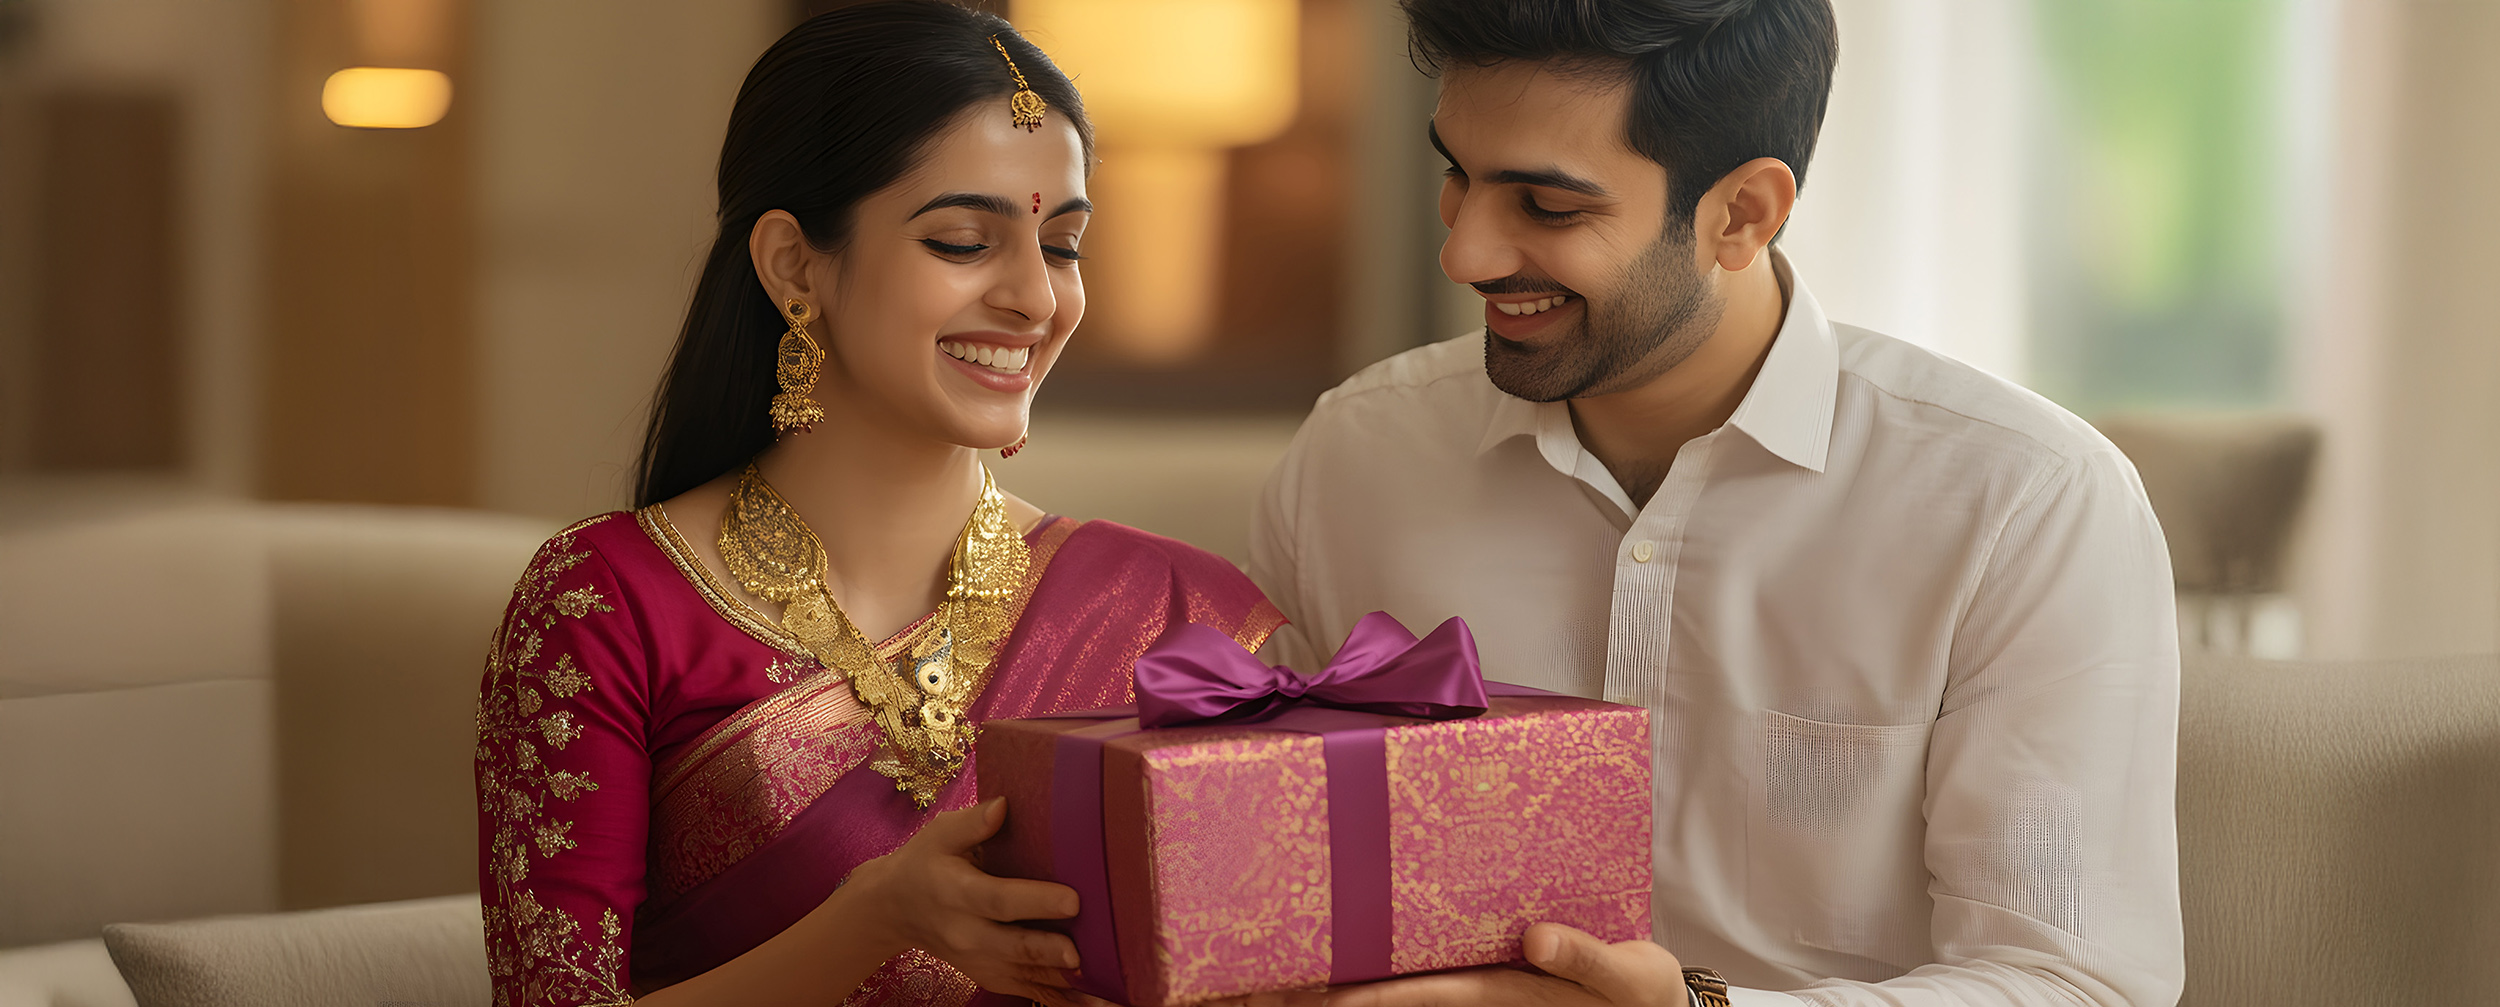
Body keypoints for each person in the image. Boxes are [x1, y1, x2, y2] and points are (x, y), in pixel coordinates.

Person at [1248, 2, 2183, 1005]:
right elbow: (1245, 847)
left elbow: (2075, 981)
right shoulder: (1358, 456)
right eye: (1456, 177)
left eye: (1547, 208)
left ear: (1741, 213)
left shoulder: (2022, 505)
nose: (1464, 253)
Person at [471, 6, 1282, 1006]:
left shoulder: (1171, 609)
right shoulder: (607, 605)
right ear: (793, 265)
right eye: (959, 240)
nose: (1036, 298)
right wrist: (876, 917)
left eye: (1063, 245)